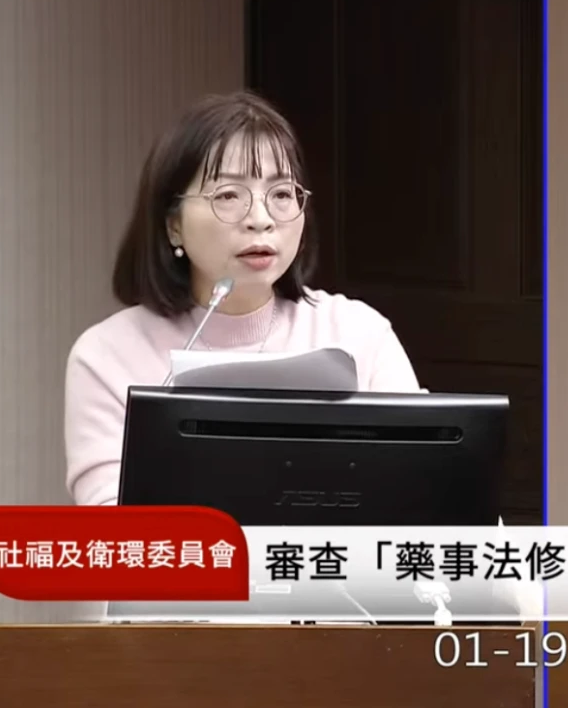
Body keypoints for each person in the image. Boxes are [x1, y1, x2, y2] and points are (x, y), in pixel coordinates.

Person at [65, 91, 422, 506]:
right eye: (228, 196)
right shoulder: (107, 355)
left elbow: (421, 486)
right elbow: (112, 519)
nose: (261, 220)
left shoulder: (360, 333)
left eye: (282, 194)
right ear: (173, 224)